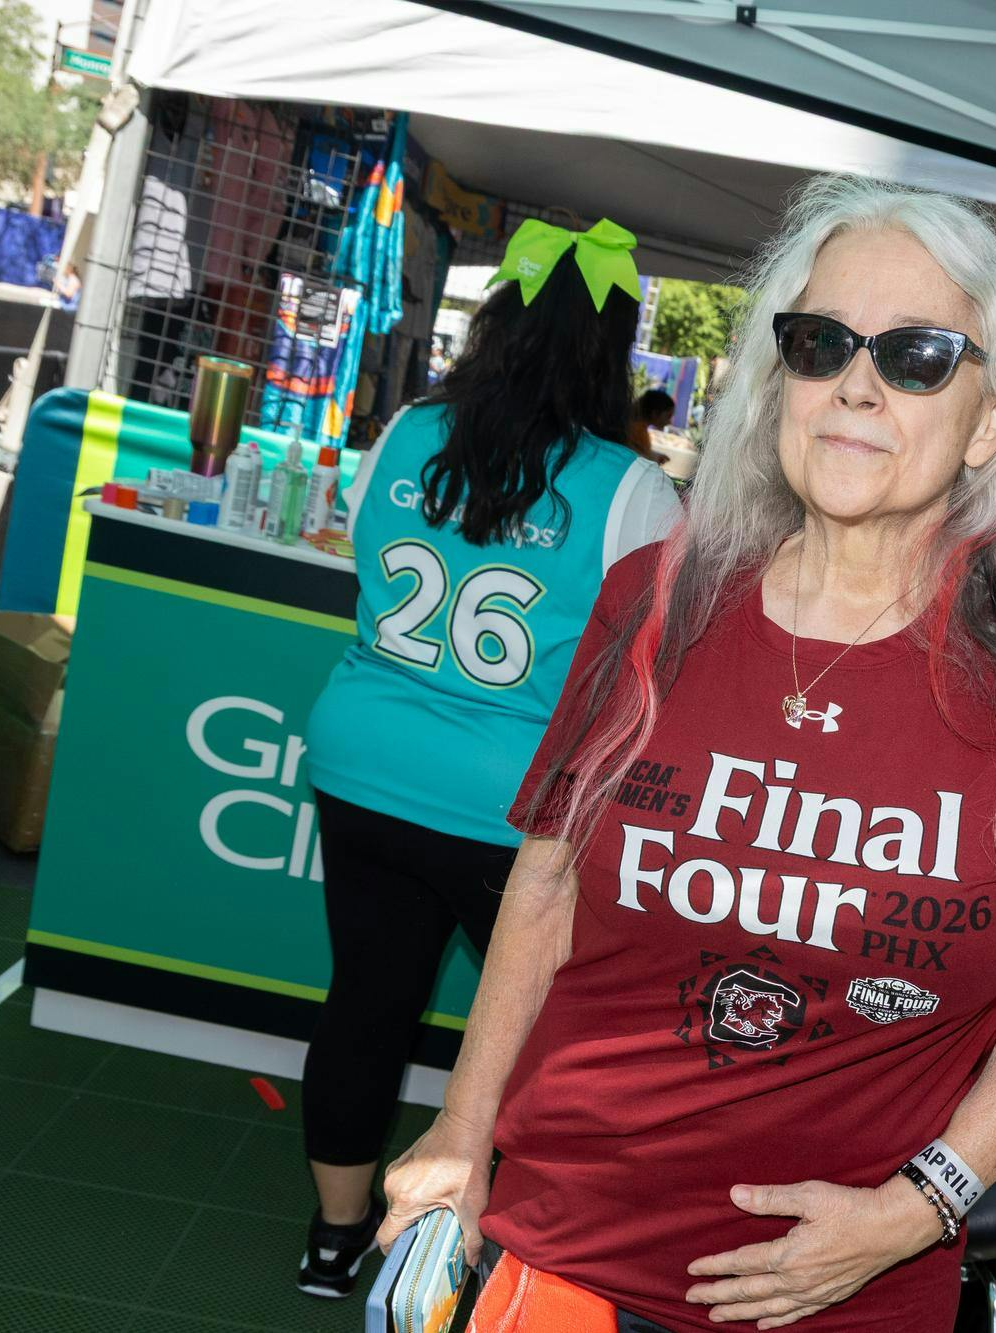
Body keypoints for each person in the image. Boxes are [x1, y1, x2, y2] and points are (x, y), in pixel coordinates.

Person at [375, 177, 996, 1333]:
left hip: (848, 1296)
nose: (856, 386)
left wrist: (917, 1207)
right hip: (571, 1246)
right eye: (820, 342)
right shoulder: (655, 599)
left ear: (989, 419)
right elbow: (546, 881)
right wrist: (461, 1128)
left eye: (919, 355)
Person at [295, 217, 681, 1298]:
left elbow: (359, 565)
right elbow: (655, 664)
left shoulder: (412, 429)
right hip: (514, 809)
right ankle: (486, 1253)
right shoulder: (632, 487)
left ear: (497, 321)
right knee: (533, 1044)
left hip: (364, 760)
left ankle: (333, 1243)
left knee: (365, 1003)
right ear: (613, 353)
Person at [627, 386, 676, 459]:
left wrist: (653, 455)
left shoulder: (638, 427)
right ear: (655, 414)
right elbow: (633, 454)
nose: (669, 422)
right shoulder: (632, 430)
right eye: (668, 416)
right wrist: (651, 457)